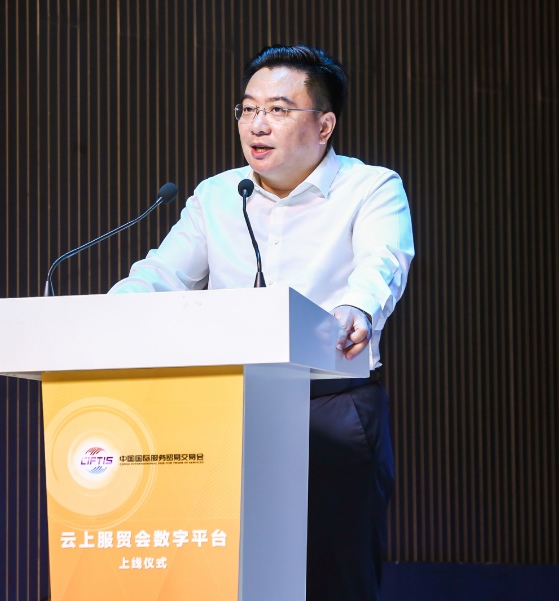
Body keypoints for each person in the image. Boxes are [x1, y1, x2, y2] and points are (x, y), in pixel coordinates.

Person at [109, 44, 414, 601]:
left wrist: (359, 307)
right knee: (224, 572)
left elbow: (382, 262)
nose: (257, 125)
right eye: (248, 109)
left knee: (334, 576)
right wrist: (105, 313)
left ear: (324, 125)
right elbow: (161, 274)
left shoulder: (371, 186)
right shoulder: (217, 194)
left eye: (277, 109)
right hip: (225, 408)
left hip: (330, 405)